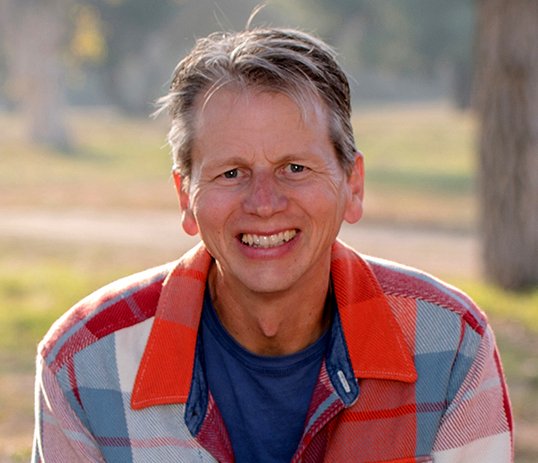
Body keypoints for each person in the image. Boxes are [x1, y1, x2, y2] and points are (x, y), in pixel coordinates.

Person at [32, 27, 513, 463]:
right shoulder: (84, 363)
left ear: (353, 185)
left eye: (295, 168)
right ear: (185, 196)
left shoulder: (450, 345)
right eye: (231, 173)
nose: (264, 203)